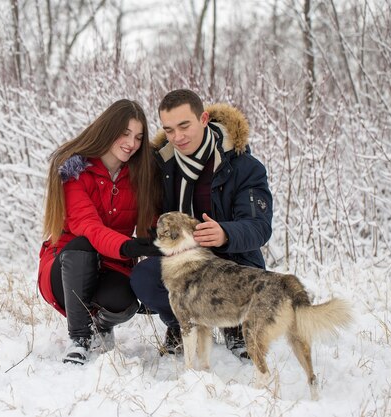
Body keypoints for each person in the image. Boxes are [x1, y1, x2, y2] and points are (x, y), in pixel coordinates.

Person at [130, 89, 273, 359]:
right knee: (144, 277)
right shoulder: (162, 166)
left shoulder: (244, 167)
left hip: (232, 258)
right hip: (185, 261)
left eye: (185, 126)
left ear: (204, 119)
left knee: (238, 273)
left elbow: (259, 226)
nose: (178, 137)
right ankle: (179, 323)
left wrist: (225, 233)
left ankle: (233, 325)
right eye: (169, 130)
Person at [38, 99, 162, 365]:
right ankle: (79, 338)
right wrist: (129, 246)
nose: (132, 143)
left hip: (112, 264)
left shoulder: (139, 175)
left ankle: (101, 325)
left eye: (139, 137)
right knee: (82, 245)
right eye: (125, 133)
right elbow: (88, 226)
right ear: (108, 129)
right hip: (66, 265)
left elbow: (155, 219)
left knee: (124, 303)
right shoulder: (75, 172)